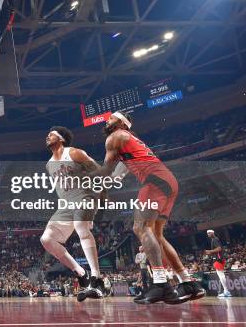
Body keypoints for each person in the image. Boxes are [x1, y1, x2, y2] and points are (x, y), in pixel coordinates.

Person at [85, 111, 204, 304]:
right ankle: (188, 282)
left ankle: (161, 285)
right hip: (168, 180)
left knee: (140, 228)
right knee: (157, 235)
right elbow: (114, 176)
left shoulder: (114, 137)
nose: (107, 120)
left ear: (122, 123)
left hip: (155, 180)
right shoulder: (129, 140)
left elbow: (105, 171)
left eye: (112, 118)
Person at [41, 127, 105, 302]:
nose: (48, 136)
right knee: (47, 239)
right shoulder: (49, 164)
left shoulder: (74, 153)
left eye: (51, 134)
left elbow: (98, 171)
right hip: (67, 203)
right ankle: (81, 273)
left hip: (85, 195)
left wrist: (100, 196)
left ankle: (96, 278)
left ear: (61, 139)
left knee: (80, 227)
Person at [205, 230, 231, 298]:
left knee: (221, 275)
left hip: (218, 259)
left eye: (209, 233)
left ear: (213, 233)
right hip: (219, 259)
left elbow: (219, 249)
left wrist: (210, 251)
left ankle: (226, 291)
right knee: (221, 275)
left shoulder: (215, 239)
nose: (208, 234)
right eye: (207, 233)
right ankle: (226, 291)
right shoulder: (214, 239)